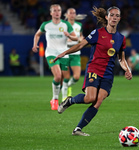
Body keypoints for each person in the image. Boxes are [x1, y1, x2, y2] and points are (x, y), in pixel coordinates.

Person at [53, 6, 132, 136]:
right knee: (90, 98)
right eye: (111, 15)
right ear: (106, 17)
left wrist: (127, 70)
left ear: (119, 19)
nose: (114, 18)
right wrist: (64, 53)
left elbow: (121, 58)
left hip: (108, 74)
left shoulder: (121, 38)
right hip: (94, 69)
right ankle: (70, 101)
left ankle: (78, 129)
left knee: (98, 101)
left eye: (117, 15)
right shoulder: (97, 33)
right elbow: (80, 45)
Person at [32, 4, 78, 110]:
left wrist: (69, 36)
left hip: (63, 54)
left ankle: (61, 96)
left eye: (59, 10)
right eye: (55, 10)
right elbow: (37, 34)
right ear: (51, 13)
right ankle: (55, 99)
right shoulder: (46, 25)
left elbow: (76, 39)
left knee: (64, 78)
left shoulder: (66, 24)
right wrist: (35, 44)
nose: (57, 12)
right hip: (51, 53)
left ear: (61, 12)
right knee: (57, 76)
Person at [62, 8, 85, 99]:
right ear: (66, 15)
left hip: (75, 52)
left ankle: (68, 86)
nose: (72, 14)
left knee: (76, 77)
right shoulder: (62, 25)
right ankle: (64, 98)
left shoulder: (79, 25)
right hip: (65, 52)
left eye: (74, 13)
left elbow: (81, 35)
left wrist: (81, 39)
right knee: (66, 77)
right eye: (70, 13)